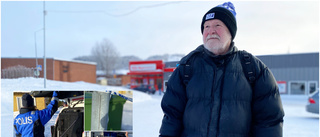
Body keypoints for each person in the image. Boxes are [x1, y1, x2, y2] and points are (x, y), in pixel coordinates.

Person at [159, 2, 284, 137]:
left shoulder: (254, 69)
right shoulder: (186, 67)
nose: (210, 31)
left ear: (230, 31)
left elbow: (269, 122)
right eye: (206, 26)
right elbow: (171, 117)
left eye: (217, 25)